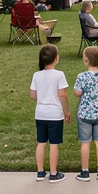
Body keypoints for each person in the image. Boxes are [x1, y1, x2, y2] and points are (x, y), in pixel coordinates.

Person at [30, 44, 70, 182]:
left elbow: (33, 95)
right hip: (54, 114)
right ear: (56, 58)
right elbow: (63, 95)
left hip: (40, 113)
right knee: (54, 143)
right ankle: (53, 173)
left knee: (41, 142)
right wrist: (67, 111)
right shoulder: (59, 75)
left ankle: (40, 172)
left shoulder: (36, 75)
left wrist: (42, 99)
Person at [73, 45, 98, 181]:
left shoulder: (82, 76)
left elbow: (77, 93)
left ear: (86, 60)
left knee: (85, 142)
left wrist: (81, 91)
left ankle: (85, 171)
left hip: (84, 114)